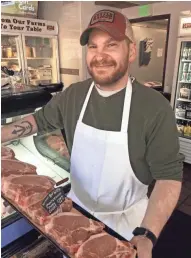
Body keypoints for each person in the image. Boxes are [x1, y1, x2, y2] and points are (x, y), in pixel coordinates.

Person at [2, 10, 183, 258]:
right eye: (93, 46)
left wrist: (148, 234)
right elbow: (39, 121)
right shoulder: (74, 95)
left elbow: (169, 178)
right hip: (75, 212)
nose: (100, 55)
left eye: (112, 45)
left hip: (126, 224)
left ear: (130, 52)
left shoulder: (154, 107)